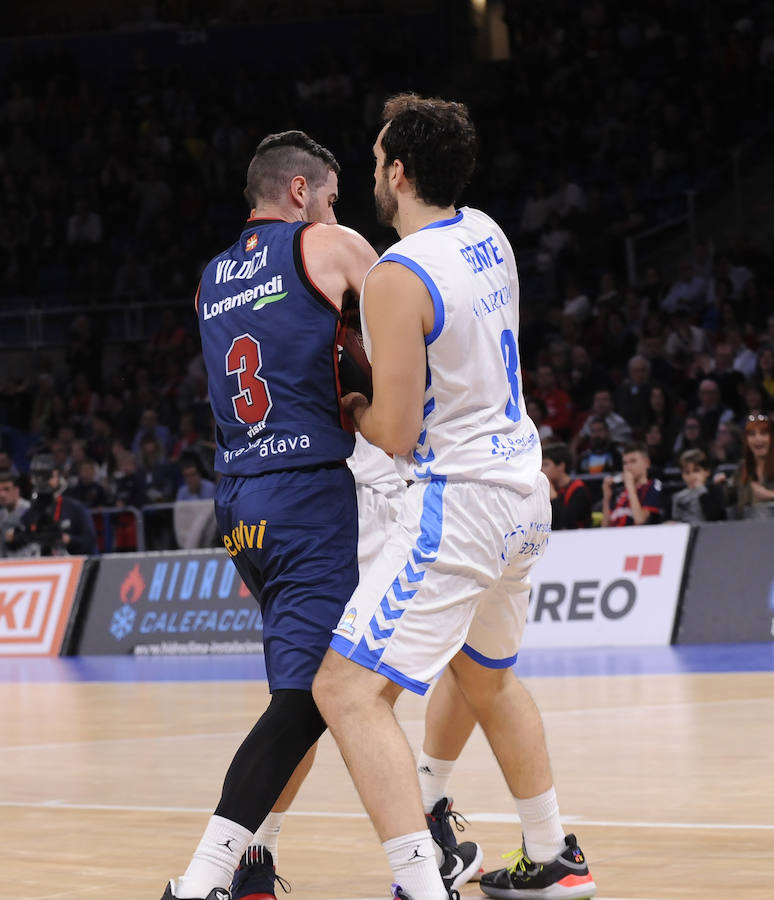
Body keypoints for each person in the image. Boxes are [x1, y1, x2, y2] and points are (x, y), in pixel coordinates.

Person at [312, 94, 595, 900]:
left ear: (398, 173)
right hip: (522, 489)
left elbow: (397, 435)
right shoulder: (486, 232)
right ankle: (553, 859)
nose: (371, 174)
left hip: (460, 504)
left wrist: (352, 406)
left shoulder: (396, 276)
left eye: (374, 162)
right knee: (487, 679)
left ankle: (418, 884)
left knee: (345, 689)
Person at [157, 130, 379, 900]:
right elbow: (412, 322)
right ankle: (204, 878)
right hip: (309, 491)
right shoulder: (329, 245)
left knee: (317, 684)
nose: (333, 209)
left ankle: (255, 860)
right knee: (315, 699)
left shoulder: (210, 279)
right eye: (329, 196)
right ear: (298, 192)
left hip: (241, 503)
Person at [3, 453, 98, 556]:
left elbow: (90, 541)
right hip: (40, 566)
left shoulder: (75, 508)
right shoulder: (31, 511)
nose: (45, 482)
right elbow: (19, 545)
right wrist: (11, 540)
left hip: (71, 566)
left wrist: (68, 539)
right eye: (39, 477)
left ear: (59, 478)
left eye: (49, 476)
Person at [714, 414, 774, 518]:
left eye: (763, 434)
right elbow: (729, 498)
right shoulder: (743, 468)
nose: (758, 439)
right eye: (752, 434)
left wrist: (770, 495)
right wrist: (721, 484)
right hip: (747, 528)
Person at [601, 442, 663, 527]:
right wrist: (606, 498)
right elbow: (604, 527)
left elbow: (640, 520)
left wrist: (630, 486)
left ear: (647, 463)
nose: (628, 467)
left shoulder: (652, 485)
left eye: (633, 461)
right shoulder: (618, 491)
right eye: (625, 463)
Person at [542, 442, 592, 529]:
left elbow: (566, 523)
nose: (541, 469)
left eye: (545, 465)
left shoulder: (579, 489)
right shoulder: (543, 489)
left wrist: (553, 497)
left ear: (561, 466)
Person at [669, 448, 726, 523]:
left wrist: (700, 490)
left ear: (707, 472)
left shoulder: (714, 492)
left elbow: (714, 516)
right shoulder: (677, 497)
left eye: (696, 470)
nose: (691, 476)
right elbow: (674, 520)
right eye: (687, 472)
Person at [0, 470, 30, 557]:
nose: (2, 494)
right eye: (0, 490)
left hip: (29, 564)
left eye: (6, 489)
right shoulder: (1, 514)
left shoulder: (29, 511)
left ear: (17, 490)